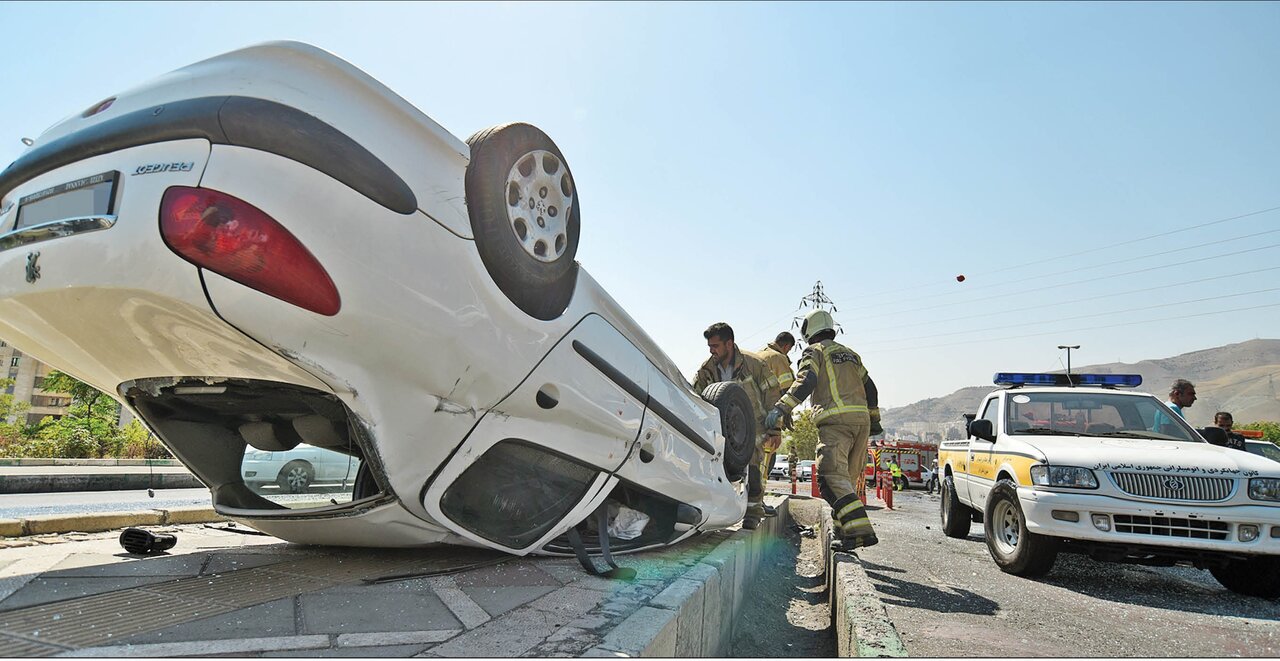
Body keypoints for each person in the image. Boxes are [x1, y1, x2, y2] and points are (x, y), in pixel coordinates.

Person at [764, 309, 881, 551]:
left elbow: (806, 381)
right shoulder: (851, 355)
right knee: (845, 482)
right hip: (861, 424)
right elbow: (872, 389)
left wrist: (780, 409)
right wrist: (874, 420)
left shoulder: (814, 351)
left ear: (808, 331)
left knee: (829, 478)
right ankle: (843, 532)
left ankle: (860, 531)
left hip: (835, 423)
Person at [692, 322, 775, 529]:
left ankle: (753, 514)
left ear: (729, 344)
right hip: (723, 431)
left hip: (755, 429)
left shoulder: (754, 364)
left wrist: (775, 429)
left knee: (754, 472)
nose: (712, 350)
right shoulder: (707, 369)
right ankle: (721, 513)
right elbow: (695, 397)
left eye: (715, 346)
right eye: (709, 346)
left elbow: (772, 395)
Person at [750, 331, 797, 497]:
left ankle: (749, 499)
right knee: (767, 460)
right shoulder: (778, 358)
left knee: (752, 460)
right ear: (786, 346)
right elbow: (787, 390)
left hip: (750, 415)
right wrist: (787, 413)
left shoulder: (758, 354)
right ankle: (758, 501)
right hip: (768, 416)